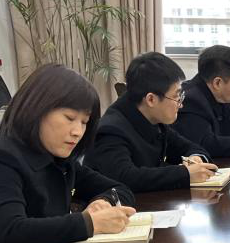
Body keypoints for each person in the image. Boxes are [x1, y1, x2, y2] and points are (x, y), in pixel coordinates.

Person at [0, 64, 135, 243]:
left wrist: (103, 201)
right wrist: (90, 223)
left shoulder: (60, 159)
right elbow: (11, 232)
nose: (78, 131)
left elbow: (120, 188)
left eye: (84, 122)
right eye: (69, 118)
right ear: (37, 110)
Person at [87, 52, 219, 192]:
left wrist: (195, 158)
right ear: (151, 99)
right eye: (176, 97)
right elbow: (125, 177)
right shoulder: (110, 131)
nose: (180, 104)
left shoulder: (152, 117)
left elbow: (189, 147)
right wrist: (185, 174)